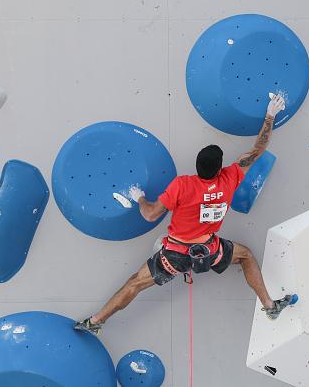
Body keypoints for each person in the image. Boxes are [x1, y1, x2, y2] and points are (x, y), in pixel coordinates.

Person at [75, 95, 295, 335]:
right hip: (210, 251)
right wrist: (270, 115)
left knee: (134, 283)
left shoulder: (182, 185)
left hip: (175, 254)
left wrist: (139, 197)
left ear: (197, 165)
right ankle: (269, 305)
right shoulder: (230, 178)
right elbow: (258, 149)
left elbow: (150, 215)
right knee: (246, 256)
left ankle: (95, 321)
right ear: (219, 168)